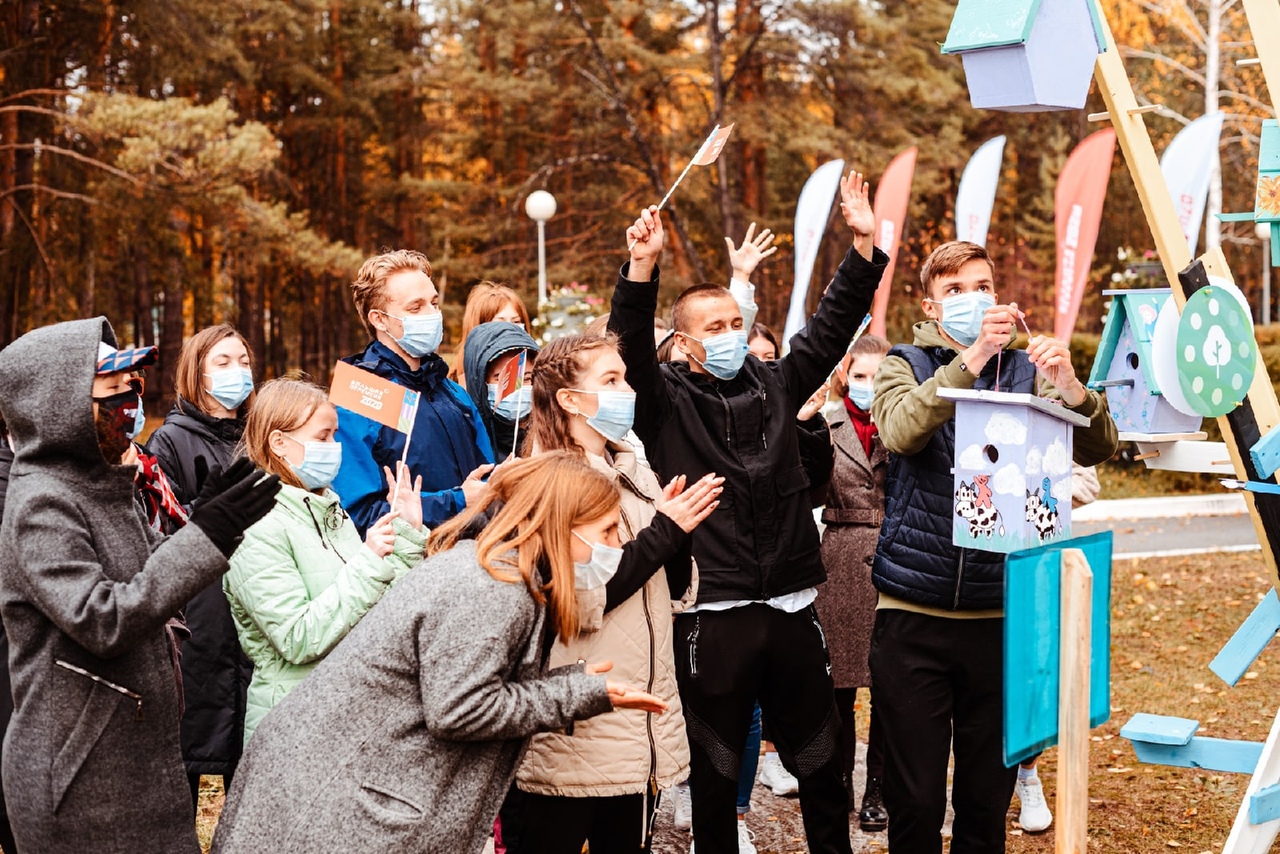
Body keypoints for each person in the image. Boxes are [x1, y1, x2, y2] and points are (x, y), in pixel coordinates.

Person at [608, 170, 887, 854]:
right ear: (686, 344)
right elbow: (629, 347)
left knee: (823, 769)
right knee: (715, 777)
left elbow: (827, 333)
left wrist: (862, 249)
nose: (731, 334)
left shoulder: (777, 382)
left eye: (737, 322)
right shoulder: (665, 399)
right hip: (714, 621)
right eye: (715, 327)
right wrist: (641, 268)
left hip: (794, 613)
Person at [210, 453, 667, 853]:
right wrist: (575, 695)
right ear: (559, 523)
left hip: (340, 794)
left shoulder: (494, 573)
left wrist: (569, 685)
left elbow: (464, 686)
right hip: (338, 808)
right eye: (606, 530)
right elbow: (459, 710)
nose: (616, 546)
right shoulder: (492, 589)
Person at [869, 240, 1118, 853]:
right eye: (954, 290)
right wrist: (972, 357)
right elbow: (899, 432)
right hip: (913, 615)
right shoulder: (905, 362)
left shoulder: (1029, 368)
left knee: (985, 803)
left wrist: (1071, 387)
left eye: (981, 286)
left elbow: (1098, 448)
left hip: (1004, 616)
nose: (972, 299)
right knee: (917, 800)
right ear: (931, 304)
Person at [0, 317, 279, 854]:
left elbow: (155, 560)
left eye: (134, 384)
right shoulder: (43, 502)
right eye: (114, 387)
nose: (131, 397)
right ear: (58, 403)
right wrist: (208, 534)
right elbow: (104, 619)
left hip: (131, 756)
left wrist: (208, 522)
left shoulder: (104, 483)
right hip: (80, 779)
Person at [513, 333, 721, 854]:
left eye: (625, 377)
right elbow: (579, 602)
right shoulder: (549, 479)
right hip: (580, 727)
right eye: (610, 380)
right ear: (567, 399)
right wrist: (665, 533)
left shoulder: (631, 462)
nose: (626, 390)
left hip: (639, 720)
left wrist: (677, 534)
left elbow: (664, 589)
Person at [225, 377, 426, 745]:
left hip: (346, 713)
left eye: (335, 436)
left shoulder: (329, 509)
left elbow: (375, 614)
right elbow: (297, 637)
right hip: (294, 725)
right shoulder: (255, 524)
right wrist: (368, 561)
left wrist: (407, 540)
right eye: (322, 437)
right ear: (279, 442)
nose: (334, 448)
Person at [146, 323, 257, 805]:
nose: (239, 372)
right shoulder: (170, 441)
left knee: (252, 777)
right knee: (190, 771)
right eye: (223, 363)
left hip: (256, 613)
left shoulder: (259, 436)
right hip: (201, 624)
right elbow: (156, 528)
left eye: (245, 362)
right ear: (197, 374)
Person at [334, 249, 496, 535]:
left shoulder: (454, 393)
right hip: (408, 569)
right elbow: (359, 513)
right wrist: (457, 501)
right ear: (379, 319)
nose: (432, 315)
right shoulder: (358, 396)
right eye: (415, 307)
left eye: (434, 303)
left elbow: (487, 480)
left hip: (476, 557)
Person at [817, 333, 892, 832]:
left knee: (890, 688)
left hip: (893, 558)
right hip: (839, 560)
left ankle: (877, 793)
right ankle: (838, 785)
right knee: (837, 691)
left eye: (877, 377)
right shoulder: (825, 423)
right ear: (844, 374)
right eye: (860, 375)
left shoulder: (903, 420)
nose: (867, 385)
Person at [462, 320, 540, 457]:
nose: (516, 389)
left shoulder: (553, 436)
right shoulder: (464, 438)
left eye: (526, 379)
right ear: (480, 382)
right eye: (502, 379)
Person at [449, 281, 533, 387]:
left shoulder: (533, 374)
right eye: (499, 323)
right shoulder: (454, 386)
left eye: (516, 322)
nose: (510, 329)